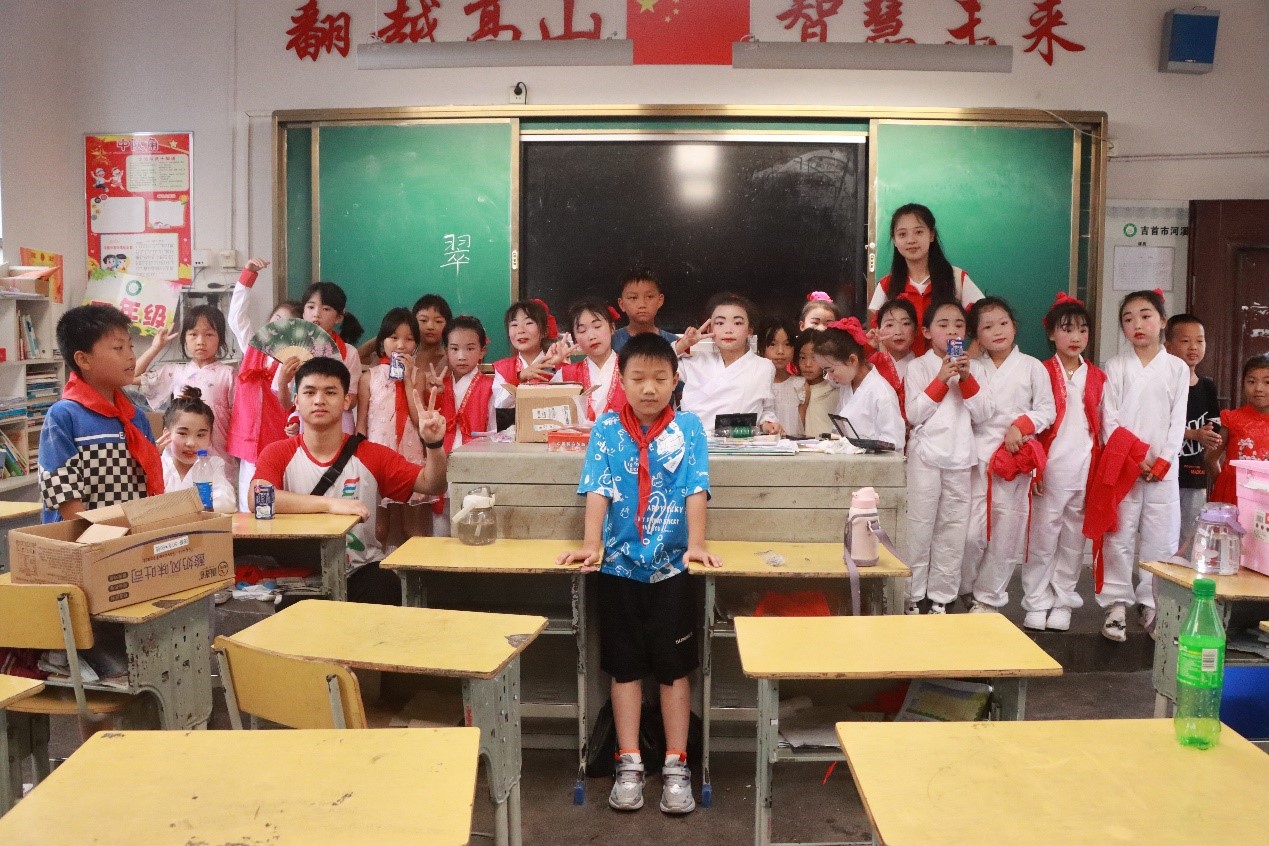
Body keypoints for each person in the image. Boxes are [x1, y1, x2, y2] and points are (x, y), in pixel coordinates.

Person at [556, 333, 718, 815]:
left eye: (660, 378)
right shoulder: (607, 429)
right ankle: (628, 762)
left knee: (674, 671)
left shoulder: (688, 428)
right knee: (624, 668)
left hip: (671, 568)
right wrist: (591, 544)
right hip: (619, 568)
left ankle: (676, 764)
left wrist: (697, 544)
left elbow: (695, 488)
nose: (649, 388)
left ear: (675, 380)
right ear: (621, 381)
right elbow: (598, 489)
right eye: (639, 378)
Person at [253, 357, 447, 605]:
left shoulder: (371, 454)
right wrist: (330, 505)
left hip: (362, 571)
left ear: (346, 400)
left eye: (330, 392)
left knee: (386, 585)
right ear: (296, 401)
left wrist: (434, 444)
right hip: (302, 575)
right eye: (309, 392)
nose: (319, 400)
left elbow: (432, 484)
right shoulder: (277, 453)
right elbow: (258, 499)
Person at [1089, 290, 1188, 642]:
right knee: (1119, 533)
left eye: (1145, 316)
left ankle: (1152, 602)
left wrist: (1163, 459)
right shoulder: (1116, 366)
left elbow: (1178, 421)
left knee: (1161, 536)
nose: (1137, 324)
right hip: (1125, 465)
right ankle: (1115, 604)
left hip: (1163, 467)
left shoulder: (1177, 368)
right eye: (1128, 319)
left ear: (1162, 321)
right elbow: (1110, 419)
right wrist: (1134, 457)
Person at [961, 296, 1055, 616]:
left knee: (1007, 532)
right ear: (977, 335)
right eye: (987, 327)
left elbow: (1047, 410)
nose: (998, 331)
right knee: (970, 533)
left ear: (1014, 326)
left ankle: (988, 597)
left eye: (1003, 323)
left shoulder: (1032, 367)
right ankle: (965, 586)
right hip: (976, 457)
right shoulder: (971, 368)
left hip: (1014, 458)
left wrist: (1021, 426)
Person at [904, 301, 994, 615]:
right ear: (927, 332)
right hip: (925, 457)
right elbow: (914, 414)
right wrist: (941, 378)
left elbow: (984, 413)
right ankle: (913, 595)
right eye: (943, 325)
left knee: (952, 531)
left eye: (958, 325)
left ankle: (941, 597)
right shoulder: (918, 367)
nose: (952, 331)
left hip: (960, 457)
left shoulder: (976, 367)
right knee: (919, 528)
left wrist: (966, 379)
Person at [1022, 293, 1105, 632]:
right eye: (1067, 329)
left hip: (1085, 466)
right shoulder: (1040, 372)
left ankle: (1063, 600)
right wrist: (1034, 467)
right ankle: (1036, 600)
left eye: (1082, 330)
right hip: (1051, 467)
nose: (1076, 337)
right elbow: (1031, 422)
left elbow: (1103, 426)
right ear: (1051, 333)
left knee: (1073, 539)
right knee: (1042, 538)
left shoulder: (1097, 376)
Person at [40, 304, 164, 522]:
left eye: (130, 346)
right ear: (83, 359)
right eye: (118, 348)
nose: (131, 356)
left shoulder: (135, 417)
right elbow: (62, 491)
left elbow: (147, 487)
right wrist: (96, 536)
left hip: (128, 534)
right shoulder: (63, 415)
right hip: (82, 537)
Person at [226, 258, 299, 510]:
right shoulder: (252, 346)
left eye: (286, 323)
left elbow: (292, 402)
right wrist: (248, 275)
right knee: (247, 498)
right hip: (248, 437)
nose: (277, 325)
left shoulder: (295, 361)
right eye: (275, 318)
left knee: (274, 498)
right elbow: (236, 317)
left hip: (276, 437)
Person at [867, 203, 984, 356]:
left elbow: (986, 323)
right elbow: (876, 338)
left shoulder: (957, 278)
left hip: (947, 367)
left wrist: (964, 361)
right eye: (902, 234)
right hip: (902, 369)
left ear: (931, 235)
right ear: (894, 240)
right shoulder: (886, 285)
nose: (911, 240)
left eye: (919, 232)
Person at [134, 303, 236, 476]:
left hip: (218, 461)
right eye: (193, 334)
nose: (200, 341)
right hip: (181, 460)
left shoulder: (229, 374)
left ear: (220, 339)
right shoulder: (175, 372)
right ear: (184, 339)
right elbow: (131, 376)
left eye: (209, 334)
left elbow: (241, 420)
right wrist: (155, 347)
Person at [676, 292, 780, 434]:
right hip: (694, 441)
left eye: (738, 323)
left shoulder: (764, 367)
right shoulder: (693, 362)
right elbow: (655, 365)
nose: (728, 330)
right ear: (709, 329)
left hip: (742, 443)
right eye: (720, 323)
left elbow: (766, 409)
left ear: (749, 330)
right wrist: (682, 345)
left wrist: (768, 423)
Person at [1165, 314, 1223, 550]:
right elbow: (1156, 425)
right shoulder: (1163, 384)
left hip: (1195, 473)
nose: (1193, 347)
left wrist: (1210, 437)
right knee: (1163, 533)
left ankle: (1184, 570)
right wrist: (1193, 434)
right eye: (1185, 341)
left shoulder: (1207, 386)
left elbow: (1214, 425)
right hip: (1165, 471)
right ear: (1168, 346)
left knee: (1192, 533)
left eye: (1199, 341)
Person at [281, 281, 363, 435]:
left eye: (326, 309)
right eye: (311, 307)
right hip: (306, 427)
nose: (317, 313)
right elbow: (287, 404)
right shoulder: (293, 350)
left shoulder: (349, 352)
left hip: (340, 427)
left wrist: (330, 397)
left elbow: (352, 400)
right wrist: (283, 380)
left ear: (338, 317)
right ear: (303, 313)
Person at [813, 319, 905, 451]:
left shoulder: (882, 393)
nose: (829, 376)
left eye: (831, 370)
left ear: (852, 360)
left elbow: (894, 443)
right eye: (825, 371)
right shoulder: (846, 385)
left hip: (874, 462)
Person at [358, 308, 425, 463]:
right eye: (394, 338)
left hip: (410, 453)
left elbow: (419, 420)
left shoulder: (418, 376)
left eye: (409, 339)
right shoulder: (368, 377)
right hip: (377, 453)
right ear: (382, 341)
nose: (401, 345)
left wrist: (407, 380)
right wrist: (360, 457)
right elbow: (361, 423)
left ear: (416, 344)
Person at [159, 387, 236, 513]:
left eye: (200, 435)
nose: (191, 443)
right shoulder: (158, 465)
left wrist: (175, 508)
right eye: (183, 433)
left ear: (210, 438)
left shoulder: (213, 465)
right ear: (167, 435)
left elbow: (226, 503)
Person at [1210, 354, 1269, 504]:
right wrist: (1224, 484)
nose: (1258, 389)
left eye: (1267, 382)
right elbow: (1211, 458)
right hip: (1233, 494)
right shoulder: (1232, 419)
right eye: (1251, 381)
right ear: (1243, 383)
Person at [435, 316, 496, 452]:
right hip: (441, 454)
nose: (461, 356)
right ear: (446, 351)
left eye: (469, 349)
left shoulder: (491, 387)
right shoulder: (440, 386)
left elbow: (494, 430)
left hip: (477, 455)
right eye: (454, 349)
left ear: (482, 351)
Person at [491, 299, 566, 410]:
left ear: (545, 331)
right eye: (514, 324)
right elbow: (501, 404)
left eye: (529, 323)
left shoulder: (560, 368)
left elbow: (562, 402)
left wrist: (549, 366)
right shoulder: (504, 368)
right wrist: (520, 377)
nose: (520, 330)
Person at [558, 299, 627, 419]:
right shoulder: (565, 375)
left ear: (612, 328)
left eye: (597, 326)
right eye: (582, 331)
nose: (591, 336)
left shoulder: (631, 369)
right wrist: (550, 363)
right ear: (575, 339)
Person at [870, 298, 919, 420]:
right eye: (890, 325)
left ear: (916, 330)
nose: (898, 332)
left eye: (906, 323)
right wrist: (867, 347)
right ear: (878, 330)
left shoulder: (924, 365)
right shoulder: (871, 364)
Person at [611, 268, 677, 353]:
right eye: (633, 298)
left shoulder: (675, 342)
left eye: (649, 297)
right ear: (621, 304)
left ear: (660, 300)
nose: (642, 304)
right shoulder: (610, 342)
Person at [758, 317, 804, 437]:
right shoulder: (755, 383)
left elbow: (801, 428)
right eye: (772, 344)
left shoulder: (800, 386)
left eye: (787, 344)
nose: (780, 351)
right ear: (761, 347)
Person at [796, 331, 839, 439]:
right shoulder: (793, 389)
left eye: (814, 358)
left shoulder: (835, 391)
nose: (808, 364)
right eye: (802, 357)